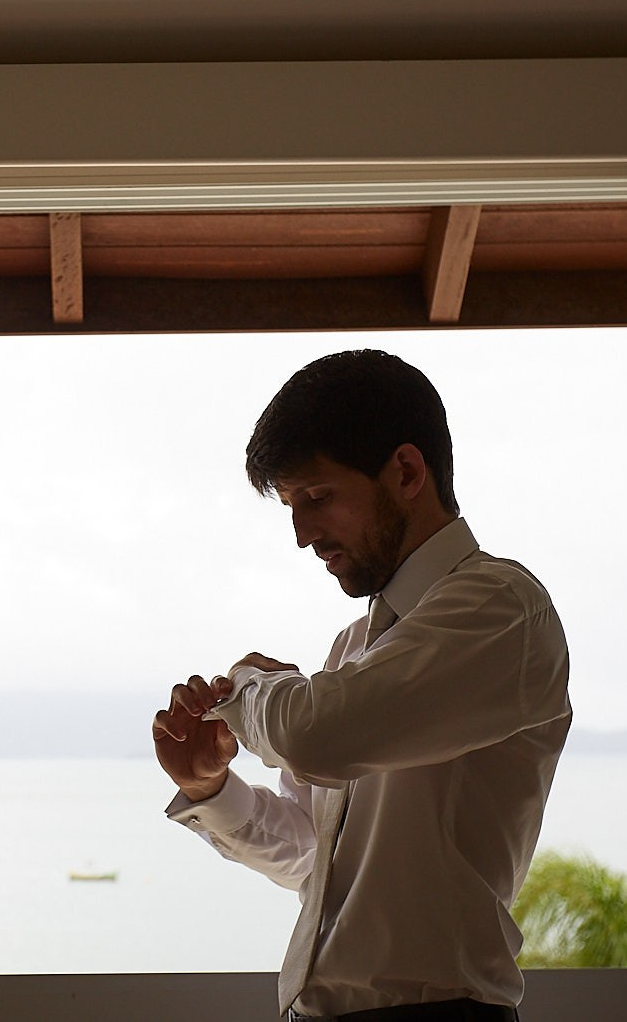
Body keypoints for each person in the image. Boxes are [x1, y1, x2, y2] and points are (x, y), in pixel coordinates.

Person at [154, 349, 571, 1022]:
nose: (301, 534)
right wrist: (211, 788)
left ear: (406, 471)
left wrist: (246, 687)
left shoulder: (500, 607)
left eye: (316, 497)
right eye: (291, 506)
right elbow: (322, 866)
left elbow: (314, 733)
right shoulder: (355, 647)